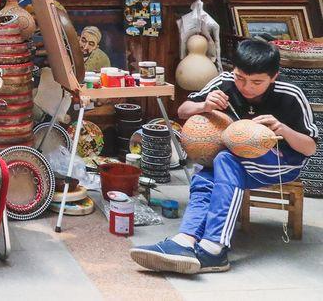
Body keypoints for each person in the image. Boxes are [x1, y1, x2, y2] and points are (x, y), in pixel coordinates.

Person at [130, 39, 318, 274]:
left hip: (282, 162)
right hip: (234, 159)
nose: (246, 87)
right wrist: (204, 106)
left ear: (274, 76)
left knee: (224, 160)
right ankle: (185, 240)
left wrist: (282, 129)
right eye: (240, 77)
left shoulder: (291, 95)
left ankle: (214, 247)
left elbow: (310, 148)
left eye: (257, 82)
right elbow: (182, 111)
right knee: (206, 174)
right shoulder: (225, 83)